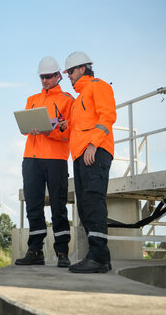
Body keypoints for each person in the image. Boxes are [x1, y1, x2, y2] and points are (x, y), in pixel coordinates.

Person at [15, 56, 74, 268]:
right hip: (31, 159)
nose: (45, 80)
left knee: (58, 206)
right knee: (33, 206)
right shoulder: (32, 99)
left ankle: (62, 252)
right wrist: (31, 129)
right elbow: (25, 128)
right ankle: (35, 251)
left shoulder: (68, 100)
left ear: (58, 76)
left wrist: (51, 131)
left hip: (56, 159)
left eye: (48, 76)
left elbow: (69, 132)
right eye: (42, 77)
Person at [63, 51, 116, 273]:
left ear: (82, 68)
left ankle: (99, 258)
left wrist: (93, 144)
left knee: (94, 202)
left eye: (71, 71)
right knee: (85, 207)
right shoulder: (78, 101)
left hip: (95, 152)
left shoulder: (99, 86)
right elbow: (78, 129)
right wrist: (64, 127)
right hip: (80, 156)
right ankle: (97, 256)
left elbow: (108, 116)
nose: (69, 76)